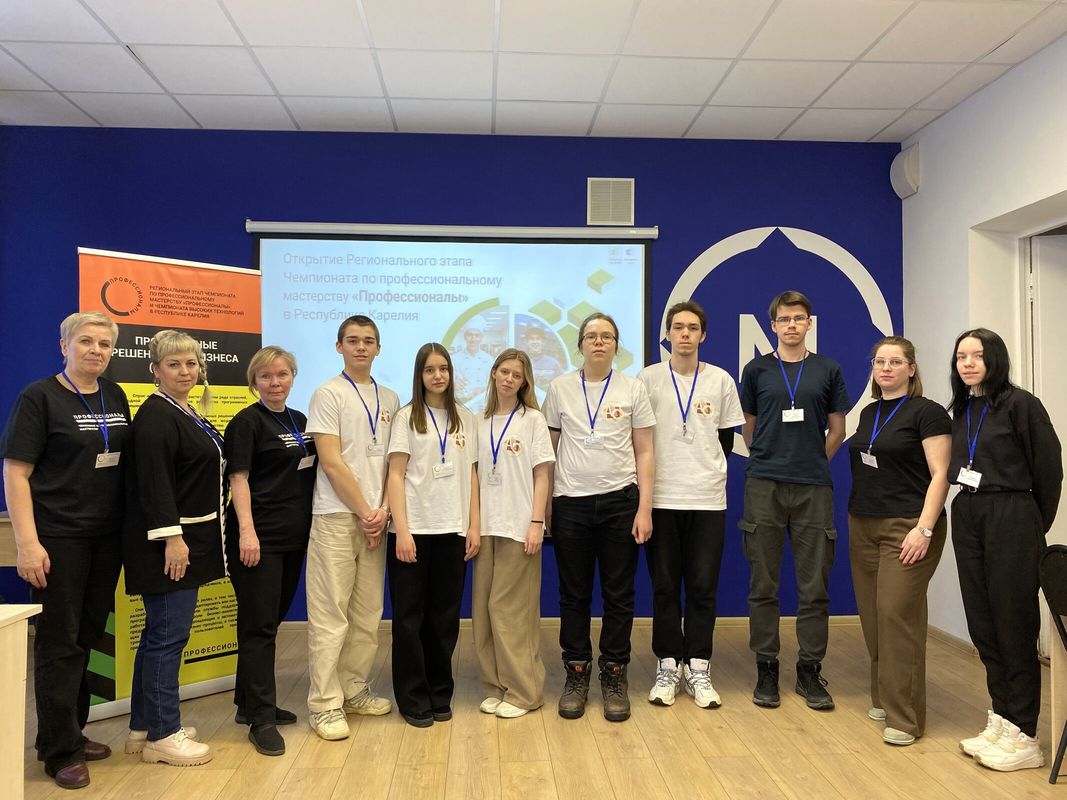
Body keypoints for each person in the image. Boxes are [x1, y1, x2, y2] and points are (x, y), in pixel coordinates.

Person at [1, 312, 130, 790]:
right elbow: (16, 473)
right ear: (64, 346)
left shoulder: (114, 395)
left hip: (106, 538)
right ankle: (60, 752)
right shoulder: (39, 398)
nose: (96, 350)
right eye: (85, 341)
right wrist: (27, 543)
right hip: (58, 538)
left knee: (87, 637)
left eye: (104, 344)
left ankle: (71, 730)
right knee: (59, 643)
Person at [949, 328, 1062, 772]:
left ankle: (1025, 734)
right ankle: (1002, 719)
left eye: (977, 355)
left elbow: (1049, 470)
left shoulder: (1021, 404)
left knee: (1013, 623)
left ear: (995, 359)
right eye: (961, 356)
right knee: (983, 622)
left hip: (1012, 514)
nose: (968, 363)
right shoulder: (962, 408)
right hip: (969, 511)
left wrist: (1030, 525)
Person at [739, 290, 849, 711]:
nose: (791, 325)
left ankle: (809, 670)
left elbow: (837, 429)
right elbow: (749, 427)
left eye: (798, 318)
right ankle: (766, 667)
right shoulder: (756, 370)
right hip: (764, 485)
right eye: (784, 319)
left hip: (813, 488)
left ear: (808, 324)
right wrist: (770, 457)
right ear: (773, 325)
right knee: (763, 583)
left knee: (814, 585)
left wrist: (811, 462)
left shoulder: (827, 368)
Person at [543, 312, 655, 722]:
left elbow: (645, 450)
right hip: (570, 503)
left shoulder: (632, 387)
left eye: (607, 336)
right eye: (591, 336)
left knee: (618, 594)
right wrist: (546, 507)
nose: (599, 342)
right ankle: (576, 674)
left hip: (620, 503)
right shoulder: (559, 388)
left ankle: (614, 674)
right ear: (580, 345)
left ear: (616, 345)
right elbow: (548, 451)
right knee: (573, 595)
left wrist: (644, 507)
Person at [123, 329, 222, 767]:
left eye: (191, 364)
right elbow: (155, 484)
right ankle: (164, 735)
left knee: (157, 637)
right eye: (174, 364)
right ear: (155, 370)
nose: (185, 371)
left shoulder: (182, 410)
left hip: (182, 541)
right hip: (168, 547)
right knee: (168, 638)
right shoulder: (156, 417)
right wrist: (173, 539)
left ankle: (144, 726)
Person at [638, 301, 744, 709]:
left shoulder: (720, 380)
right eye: (678, 327)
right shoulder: (648, 379)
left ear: (703, 335)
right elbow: (638, 439)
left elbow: (725, 440)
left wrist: (701, 469)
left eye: (693, 328)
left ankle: (698, 665)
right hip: (661, 497)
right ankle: (668, 664)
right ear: (667, 335)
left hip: (707, 499)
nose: (685, 334)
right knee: (665, 586)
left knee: (702, 586)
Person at [847, 336, 950, 746]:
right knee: (873, 616)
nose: (886, 368)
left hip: (907, 526)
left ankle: (905, 718)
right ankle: (883, 696)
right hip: (863, 523)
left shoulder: (928, 412)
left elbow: (940, 475)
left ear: (911, 368)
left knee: (896, 614)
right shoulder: (870, 411)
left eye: (895, 362)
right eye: (879, 362)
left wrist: (924, 529)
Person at [304, 315, 399, 741]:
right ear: (339, 346)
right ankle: (324, 704)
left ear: (379, 348)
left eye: (369, 341)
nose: (361, 347)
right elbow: (331, 462)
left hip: (377, 519)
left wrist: (382, 512)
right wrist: (365, 511)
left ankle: (353, 689)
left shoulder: (390, 397)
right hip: (337, 517)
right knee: (331, 615)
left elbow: (394, 464)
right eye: (353, 340)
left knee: (367, 613)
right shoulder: (328, 394)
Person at [224, 346, 317, 756]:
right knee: (258, 627)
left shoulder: (299, 421)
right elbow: (238, 479)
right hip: (258, 540)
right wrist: (247, 531)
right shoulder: (246, 422)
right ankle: (261, 720)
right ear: (254, 382)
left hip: (293, 538)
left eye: (282, 374)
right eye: (265, 376)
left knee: (269, 621)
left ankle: (248, 702)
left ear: (293, 377)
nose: (275, 382)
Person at [386, 343, 480, 727]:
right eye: (429, 370)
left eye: (443, 369)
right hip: (414, 531)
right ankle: (412, 697)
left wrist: (473, 525)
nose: (437, 376)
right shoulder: (406, 418)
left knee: (445, 618)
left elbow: (471, 475)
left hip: (453, 530)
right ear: (419, 375)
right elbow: (395, 475)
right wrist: (402, 531)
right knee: (409, 619)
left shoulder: (466, 418)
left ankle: (440, 692)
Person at [474, 349, 554, 719]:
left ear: (524, 382)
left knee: (511, 613)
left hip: (519, 527)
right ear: (493, 373)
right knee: (484, 612)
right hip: (486, 527)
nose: (509, 379)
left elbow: (543, 475)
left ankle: (524, 691)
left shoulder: (533, 420)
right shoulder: (479, 421)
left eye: (516, 375)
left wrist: (536, 522)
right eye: (504, 372)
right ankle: (496, 686)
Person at [453, 323, 494, 410]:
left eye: (477, 335)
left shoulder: (489, 359)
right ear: (465, 337)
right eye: (470, 335)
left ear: (481, 338)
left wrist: (483, 389)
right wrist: (453, 384)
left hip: (482, 404)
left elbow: (492, 383)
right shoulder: (454, 359)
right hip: (462, 404)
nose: (473, 339)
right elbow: (450, 382)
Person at [524, 326, 564, 391]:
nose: (535, 342)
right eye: (531, 339)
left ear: (543, 342)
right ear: (526, 341)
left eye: (538, 339)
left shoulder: (554, 364)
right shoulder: (521, 362)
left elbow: (562, 386)